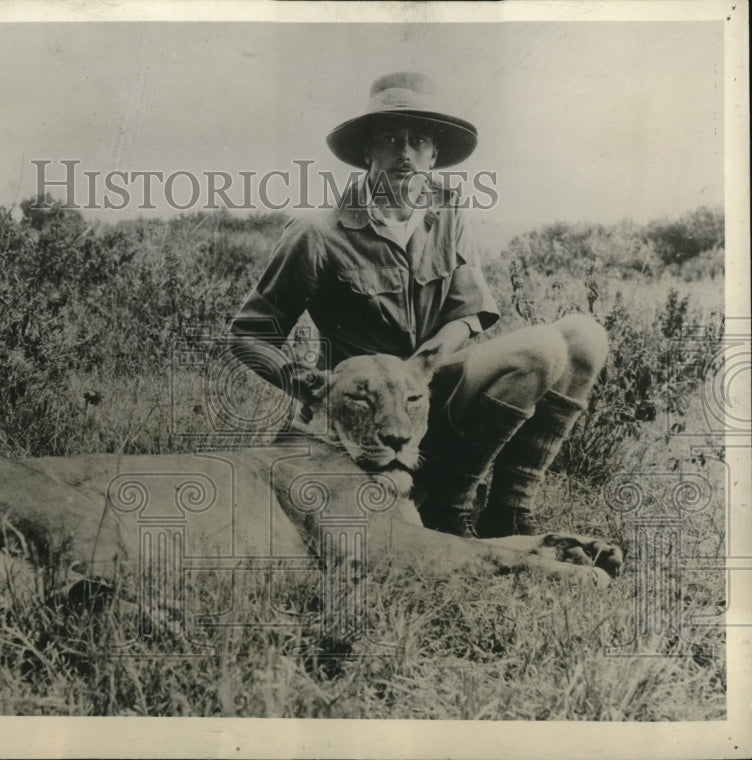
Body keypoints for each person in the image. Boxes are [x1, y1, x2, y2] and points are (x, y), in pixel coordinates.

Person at [228, 71, 608, 539]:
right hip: (365, 412)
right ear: (368, 150)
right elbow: (248, 334)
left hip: (427, 391)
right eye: (390, 137)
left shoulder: (446, 212)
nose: (405, 152)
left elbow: (470, 313)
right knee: (541, 349)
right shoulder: (317, 233)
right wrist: (309, 388)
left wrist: (424, 364)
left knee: (584, 337)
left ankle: (509, 509)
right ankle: (450, 506)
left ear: (434, 154)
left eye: (419, 140)